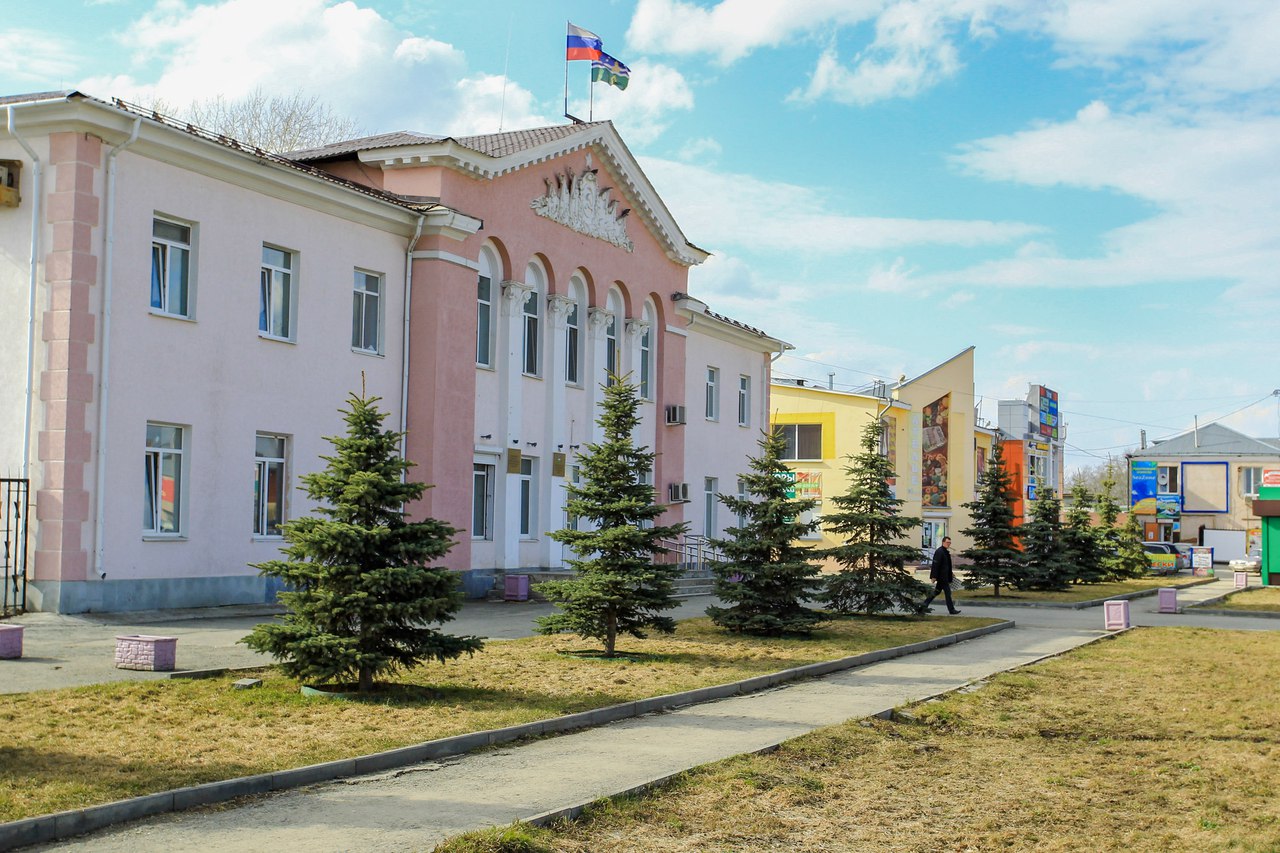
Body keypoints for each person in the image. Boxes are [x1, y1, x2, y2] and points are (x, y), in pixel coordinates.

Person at [923, 536, 960, 615]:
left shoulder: (945, 551)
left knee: (936, 592)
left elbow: (946, 565)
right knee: (948, 593)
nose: (949, 544)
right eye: (947, 542)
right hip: (942, 577)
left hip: (944, 576)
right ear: (943, 542)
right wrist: (933, 576)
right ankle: (951, 610)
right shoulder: (939, 551)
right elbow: (935, 564)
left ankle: (923, 606)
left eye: (950, 543)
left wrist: (951, 573)